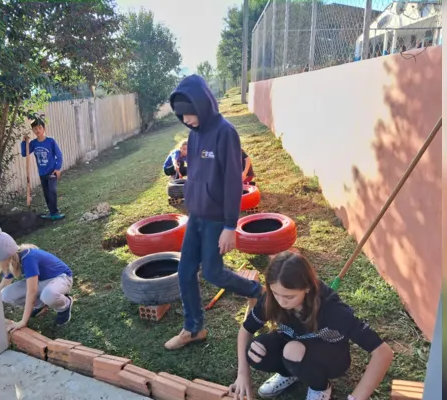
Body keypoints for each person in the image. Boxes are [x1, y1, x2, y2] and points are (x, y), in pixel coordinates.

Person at [164, 74, 263, 350]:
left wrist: (230, 226)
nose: (186, 121)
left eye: (190, 114)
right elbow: (195, 174)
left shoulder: (225, 132)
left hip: (217, 219)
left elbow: (233, 181)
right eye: (181, 116)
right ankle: (194, 328)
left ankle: (256, 292)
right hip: (195, 215)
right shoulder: (193, 136)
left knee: (213, 273)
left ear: (203, 104)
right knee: (185, 272)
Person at [230, 251, 393, 400]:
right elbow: (246, 329)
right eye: (275, 293)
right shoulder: (272, 299)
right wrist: (242, 374)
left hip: (331, 356)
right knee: (256, 350)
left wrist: (355, 398)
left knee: (292, 349)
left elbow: (383, 352)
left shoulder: (332, 310)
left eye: (289, 296)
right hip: (293, 345)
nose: (281, 301)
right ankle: (290, 372)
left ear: (307, 287)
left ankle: (320, 387)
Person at [0, 225, 74, 330]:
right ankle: (40, 306)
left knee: (48, 295)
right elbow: (3, 285)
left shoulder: (29, 258)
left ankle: (65, 305)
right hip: (41, 283)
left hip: (61, 278)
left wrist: (23, 322)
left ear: (4, 257)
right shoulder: (12, 261)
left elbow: (32, 292)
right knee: (5, 294)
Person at [21, 118, 65, 220]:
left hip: (52, 171)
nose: (38, 130)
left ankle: (55, 212)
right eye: (35, 129)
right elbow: (24, 153)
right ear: (33, 131)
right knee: (46, 193)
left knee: (52, 191)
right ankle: (51, 212)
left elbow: (59, 155)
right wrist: (24, 142)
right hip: (42, 173)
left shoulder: (50, 141)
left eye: (40, 128)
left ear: (44, 129)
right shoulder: (34, 143)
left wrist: (58, 168)